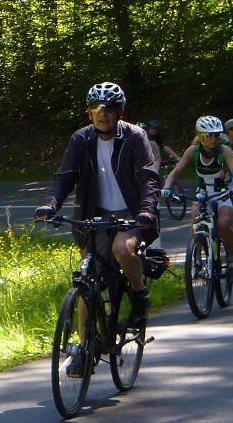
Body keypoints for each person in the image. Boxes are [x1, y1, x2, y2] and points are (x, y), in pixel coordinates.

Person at [34, 81, 160, 333]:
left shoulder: (135, 137)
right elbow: (65, 176)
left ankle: (139, 296)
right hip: (95, 215)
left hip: (131, 214)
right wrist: (51, 203)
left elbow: (148, 177)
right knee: (88, 278)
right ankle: (83, 348)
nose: (102, 113)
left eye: (109, 107)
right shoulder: (81, 139)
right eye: (96, 107)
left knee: (122, 250)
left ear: (120, 112)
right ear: (88, 112)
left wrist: (146, 210)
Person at [161, 115, 233, 279]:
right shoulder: (192, 151)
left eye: (216, 135)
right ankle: (197, 259)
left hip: (223, 193)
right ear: (200, 136)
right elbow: (175, 172)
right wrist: (166, 188)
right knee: (196, 223)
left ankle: (231, 258)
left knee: (223, 224)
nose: (214, 138)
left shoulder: (224, 151)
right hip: (202, 194)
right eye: (209, 135)